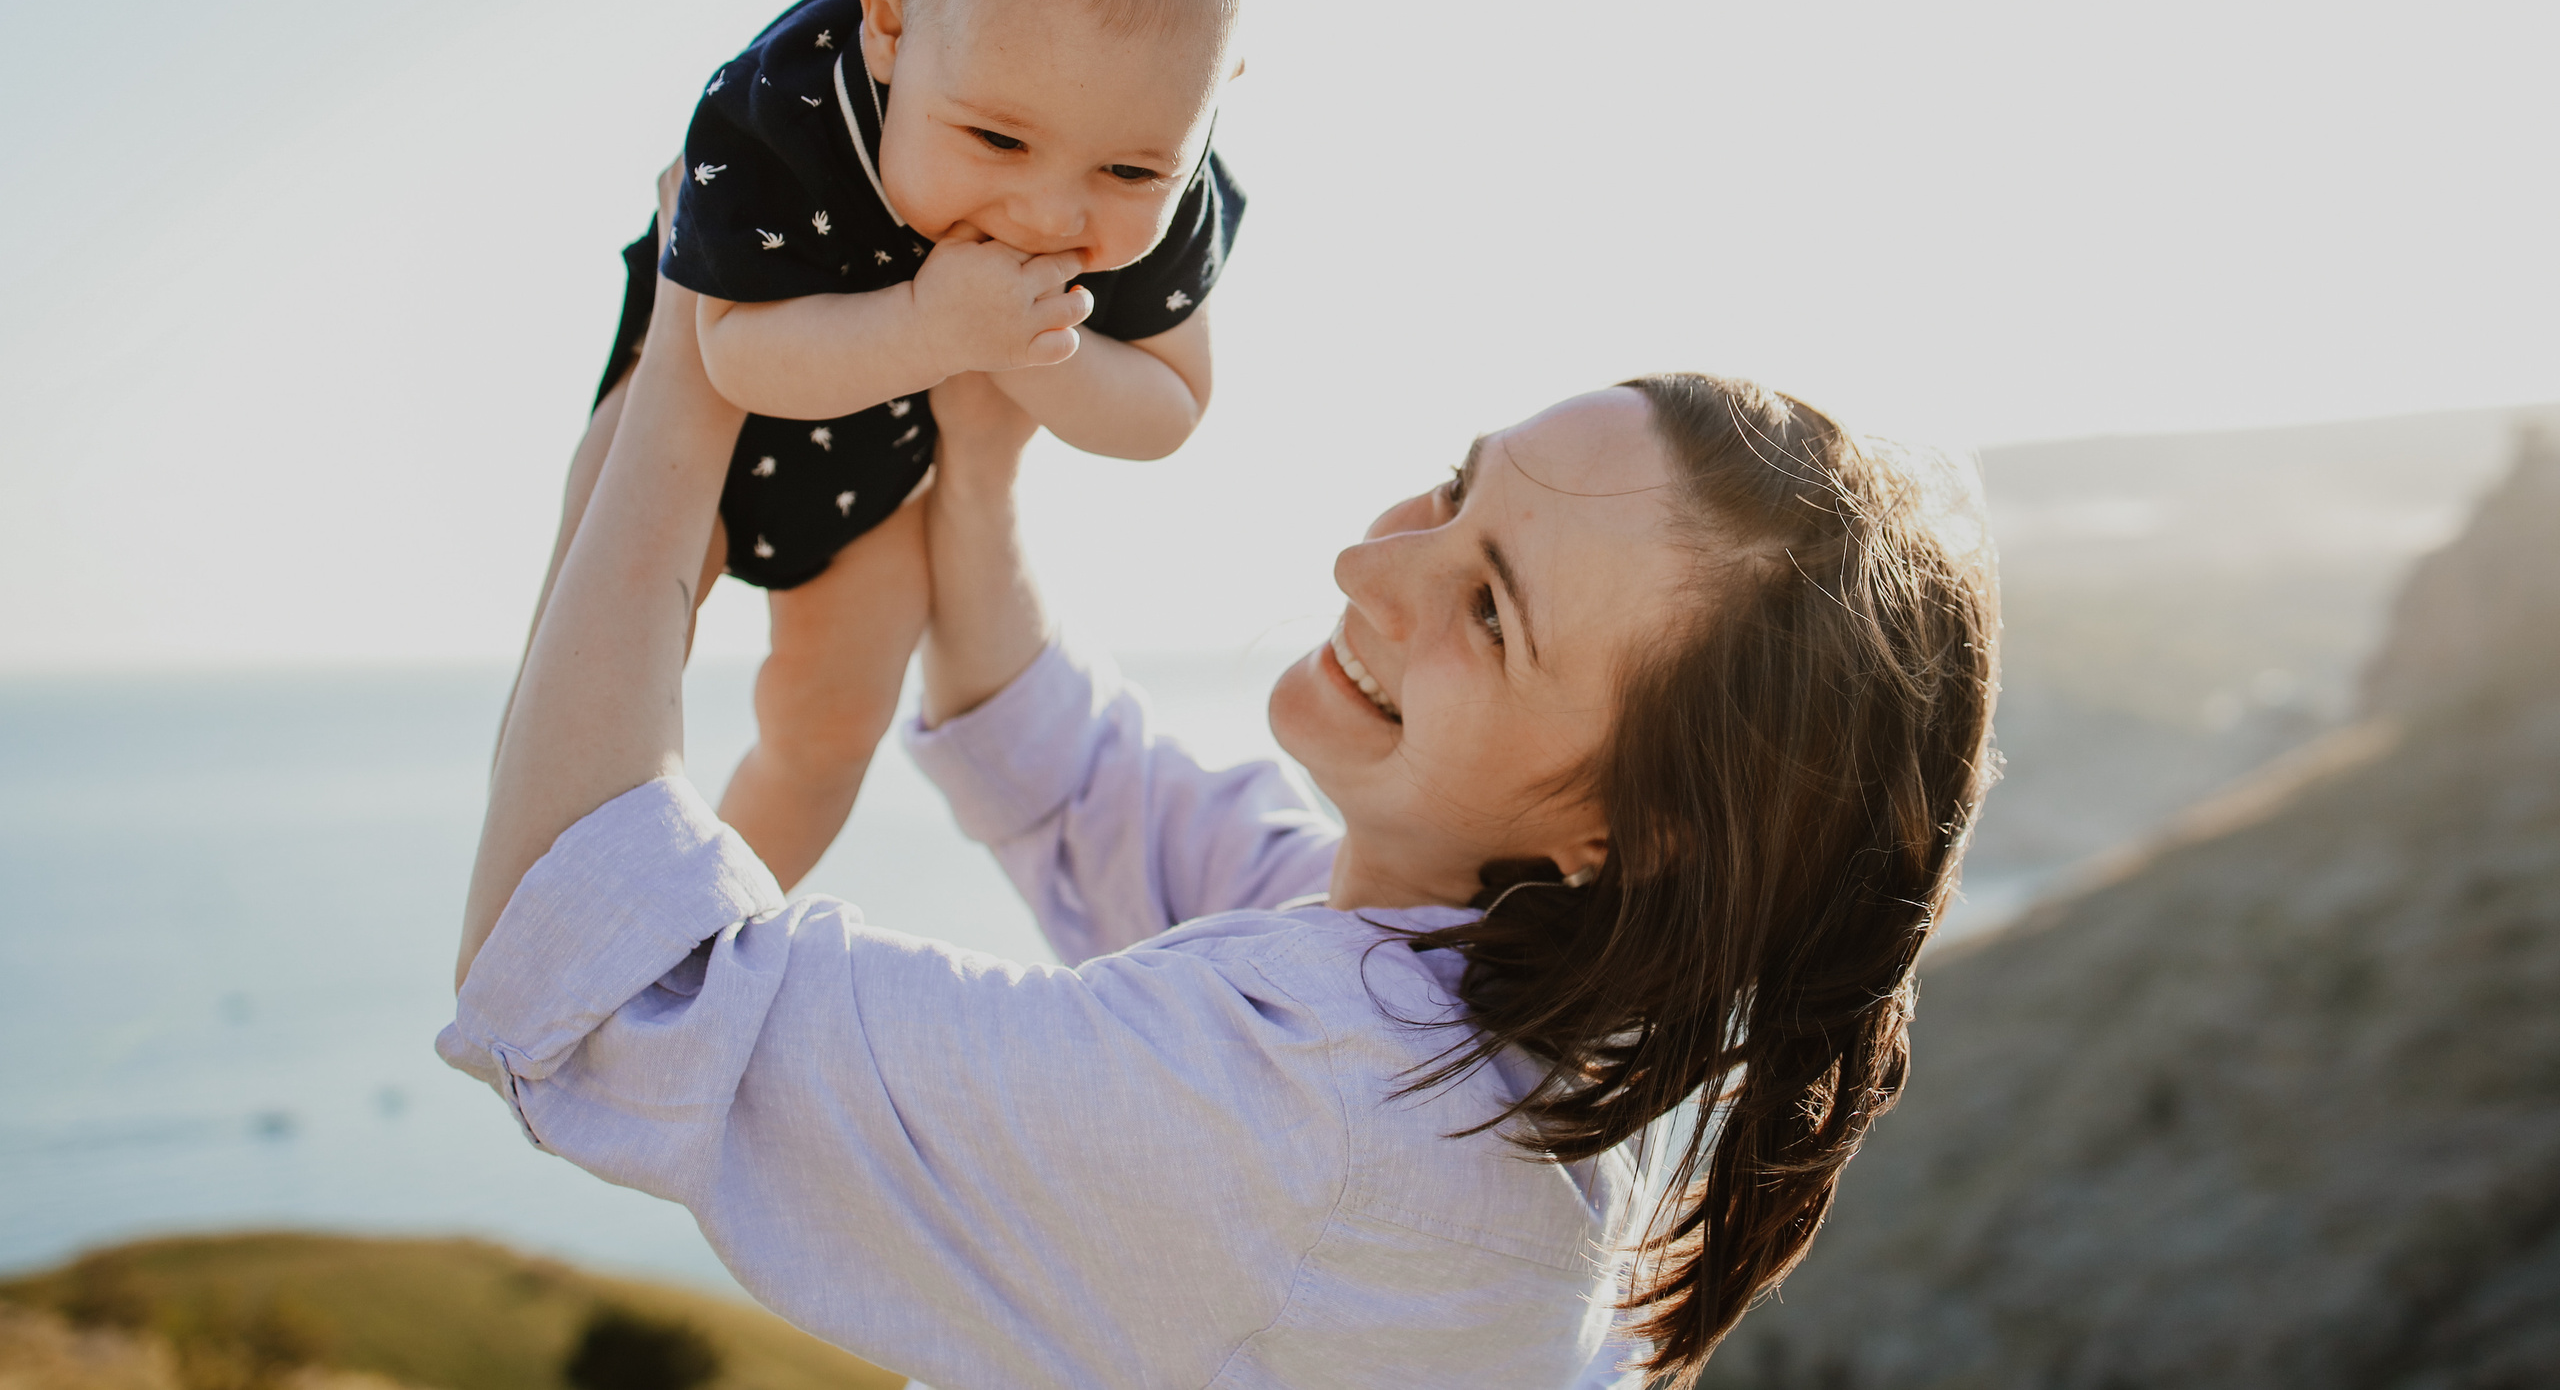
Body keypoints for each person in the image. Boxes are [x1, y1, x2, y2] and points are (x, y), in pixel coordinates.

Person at [447, 280, 1998, 1388]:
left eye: (1488, 608)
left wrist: (692, 352)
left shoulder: (1312, 1116)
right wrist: (977, 435)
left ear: (1634, 829)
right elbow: (1067, 775)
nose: (1367, 562)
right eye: (1455, 490)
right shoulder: (1504, 1006)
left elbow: (600, 974)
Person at [500, 0, 1251, 887]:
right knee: (599, 644)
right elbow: (730, 353)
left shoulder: (1159, 177)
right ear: (890, 26)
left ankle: (688, 953)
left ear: (1206, 104)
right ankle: (542, 892)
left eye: (1130, 165)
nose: (1050, 212)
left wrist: (1027, 352)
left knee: (828, 736)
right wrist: (931, 327)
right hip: (720, 389)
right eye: (997, 141)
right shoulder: (785, 102)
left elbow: (1171, 406)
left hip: (879, 470)